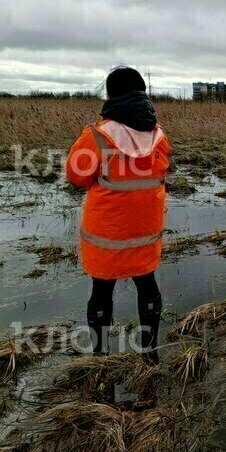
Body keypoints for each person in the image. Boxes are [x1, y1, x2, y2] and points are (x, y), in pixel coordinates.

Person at [65, 66, 172, 355]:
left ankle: (100, 353)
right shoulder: (159, 136)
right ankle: (149, 351)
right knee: (147, 285)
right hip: (145, 232)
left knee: (101, 291)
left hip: (107, 235)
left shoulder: (98, 136)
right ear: (142, 93)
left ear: (111, 95)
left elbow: (76, 176)